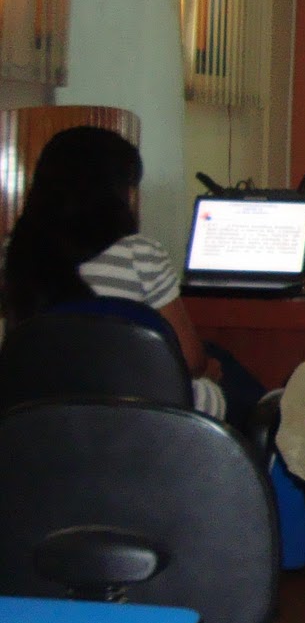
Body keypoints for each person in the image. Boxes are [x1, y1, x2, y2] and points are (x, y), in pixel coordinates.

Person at [1, 125, 227, 417]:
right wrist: (209, 371)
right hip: (137, 412)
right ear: (117, 190)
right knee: (220, 369)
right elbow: (190, 360)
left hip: (39, 413)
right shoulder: (139, 253)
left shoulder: (12, 252)